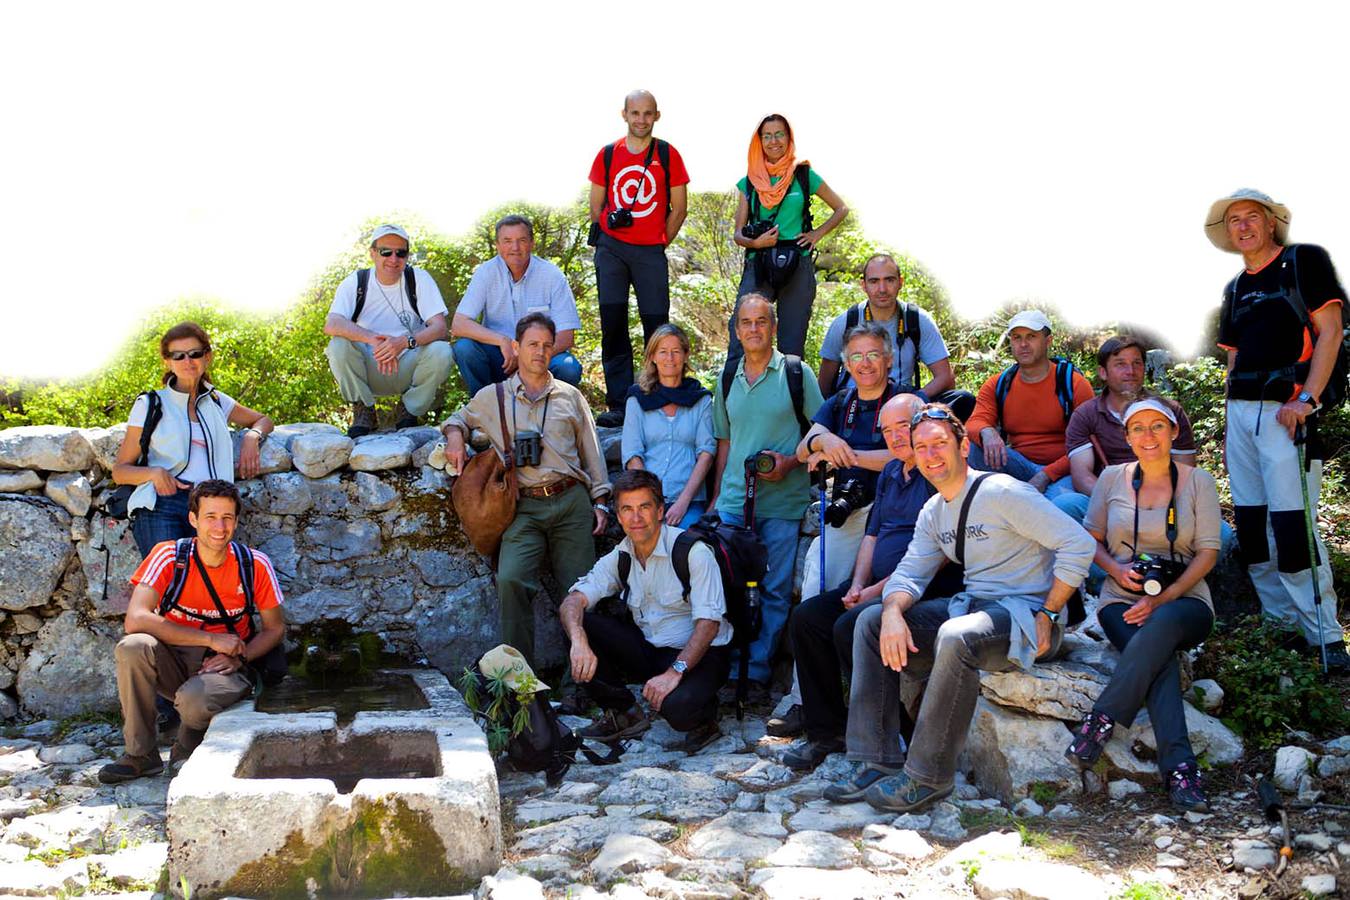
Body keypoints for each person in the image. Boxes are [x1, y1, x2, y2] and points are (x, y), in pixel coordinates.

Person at [836, 403, 1094, 813]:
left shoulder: (1003, 492)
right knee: (867, 621)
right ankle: (876, 759)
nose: (931, 454)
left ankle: (927, 777)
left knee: (955, 635)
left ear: (963, 447)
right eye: (921, 447)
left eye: (940, 443)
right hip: (974, 609)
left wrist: (1050, 612)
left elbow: (1078, 543)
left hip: (1027, 617)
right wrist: (890, 612)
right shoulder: (935, 510)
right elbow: (909, 576)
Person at [783, 393, 964, 771]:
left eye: (903, 426)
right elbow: (872, 534)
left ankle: (895, 731)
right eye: (887, 430)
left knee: (852, 626)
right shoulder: (891, 474)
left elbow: (935, 555)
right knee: (808, 618)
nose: (896, 437)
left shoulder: (936, 472)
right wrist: (857, 583)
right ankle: (826, 731)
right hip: (878, 584)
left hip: (924, 587)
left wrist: (874, 592)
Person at [1207, 188, 1347, 673]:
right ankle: (1281, 626)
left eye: (1252, 217)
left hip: (1286, 411)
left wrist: (1306, 399)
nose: (1243, 226)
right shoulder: (1235, 288)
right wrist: (1230, 422)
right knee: (1251, 524)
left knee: (1292, 526)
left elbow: (1330, 331)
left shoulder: (1301, 262)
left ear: (1271, 224)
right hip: (1242, 414)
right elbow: (1233, 356)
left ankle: (1323, 635)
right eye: (1234, 220)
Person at [1063, 400, 1221, 811]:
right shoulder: (1112, 478)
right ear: (1126, 436)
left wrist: (1163, 597)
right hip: (1121, 600)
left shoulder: (1197, 481)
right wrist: (1115, 570)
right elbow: (1089, 538)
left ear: (1173, 432)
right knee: (1159, 660)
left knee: (1163, 622)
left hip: (1184, 600)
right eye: (1137, 428)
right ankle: (1181, 770)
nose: (1147, 436)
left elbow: (1206, 553)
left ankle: (1100, 721)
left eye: (1156, 427)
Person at [442, 313, 611, 668]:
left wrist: (601, 501)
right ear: (517, 348)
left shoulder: (570, 396)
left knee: (583, 591)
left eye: (547, 345)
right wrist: (455, 438)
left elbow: (592, 452)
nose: (541, 351)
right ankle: (522, 684)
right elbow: (457, 418)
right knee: (511, 579)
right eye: (533, 344)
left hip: (570, 502)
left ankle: (582, 685)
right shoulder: (494, 396)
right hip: (523, 505)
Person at [98, 480, 285, 784]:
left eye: (227, 518)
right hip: (174, 657)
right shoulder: (169, 556)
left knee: (194, 700)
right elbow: (136, 619)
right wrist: (210, 638)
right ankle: (140, 754)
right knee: (132, 646)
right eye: (210, 517)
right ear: (193, 519)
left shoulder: (255, 564)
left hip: (225, 666)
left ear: (236, 521)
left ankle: (185, 748)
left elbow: (275, 629)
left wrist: (241, 657)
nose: (219, 527)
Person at [771, 322, 901, 741]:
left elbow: (908, 450)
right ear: (845, 363)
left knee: (862, 607)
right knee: (812, 598)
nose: (865, 364)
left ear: (888, 358)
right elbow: (801, 448)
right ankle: (805, 702)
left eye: (873, 355)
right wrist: (823, 441)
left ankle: (871, 708)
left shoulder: (903, 401)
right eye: (856, 356)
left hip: (893, 512)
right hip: (844, 513)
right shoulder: (840, 403)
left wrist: (854, 456)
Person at [560, 470, 731, 753]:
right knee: (578, 622)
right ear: (618, 514)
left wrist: (674, 672)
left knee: (677, 710)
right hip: (651, 649)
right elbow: (572, 601)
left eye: (644, 507)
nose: (636, 518)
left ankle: (705, 714)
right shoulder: (622, 554)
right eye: (627, 509)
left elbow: (709, 625)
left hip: (701, 655)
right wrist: (579, 641)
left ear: (661, 511)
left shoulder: (693, 552)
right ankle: (624, 714)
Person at [711, 294, 824, 699]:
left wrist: (791, 462)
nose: (754, 329)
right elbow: (724, 443)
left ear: (774, 327)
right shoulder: (726, 378)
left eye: (762, 321)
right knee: (729, 588)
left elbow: (820, 432)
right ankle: (728, 669)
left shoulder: (795, 373)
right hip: (734, 504)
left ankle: (755, 673)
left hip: (782, 503)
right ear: (736, 329)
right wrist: (715, 500)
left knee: (774, 590)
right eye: (746, 322)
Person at [113, 321, 275, 559]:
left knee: (208, 585)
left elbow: (263, 420)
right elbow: (120, 471)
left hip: (213, 508)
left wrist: (252, 436)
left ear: (207, 357)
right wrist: (154, 473)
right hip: (163, 503)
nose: (187, 362)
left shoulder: (217, 401)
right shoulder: (150, 404)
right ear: (168, 362)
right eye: (178, 356)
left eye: (194, 354)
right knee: (171, 583)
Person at [588, 90, 690, 428]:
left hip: (650, 252)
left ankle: (658, 392)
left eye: (648, 113)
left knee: (657, 327)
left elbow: (680, 207)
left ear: (656, 116)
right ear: (625, 114)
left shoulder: (667, 154)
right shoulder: (606, 155)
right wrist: (610, 240)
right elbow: (596, 207)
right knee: (613, 324)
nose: (641, 119)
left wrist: (659, 241)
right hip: (612, 250)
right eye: (635, 113)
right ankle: (619, 402)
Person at [726, 113, 848, 368]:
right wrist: (757, 243)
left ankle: (790, 403)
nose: (773, 141)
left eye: (779, 134)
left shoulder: (803, 175)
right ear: (759, 141)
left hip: (797, 263)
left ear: (789, 137)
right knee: (742, 337)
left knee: (792, 344)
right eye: (767, 135)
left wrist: (816, 234)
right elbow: (738, 234)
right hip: (759, 264)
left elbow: (841, 208)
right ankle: (734, 400)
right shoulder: (749, 181)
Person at [324, 224, 453, 437]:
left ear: (407, 255)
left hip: (407, 365)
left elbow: (440, 328)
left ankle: (409, 410)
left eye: (400, 253)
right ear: (373, 253)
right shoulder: (356, 282)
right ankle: (364, 409)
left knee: (442, 351)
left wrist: (403, 342)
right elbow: (332, 323)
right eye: (386, 252)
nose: (393, 259)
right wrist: (374, 340)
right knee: (337, 345)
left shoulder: (419, 279)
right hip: (369, 365)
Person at [817, 254, 974, 420]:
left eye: (889, 280)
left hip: (902, 401)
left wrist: (915, 399)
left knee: (962, 398)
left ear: (901, 282)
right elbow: (825, 384)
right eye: (874, 281)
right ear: (863, 285)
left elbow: (945, 377)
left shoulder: (917, 320)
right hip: (857, 403)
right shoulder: (847, 322)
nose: (882, 289)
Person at [1060, 336, 1198, 522]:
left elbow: (1186, 469)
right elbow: (1082, 476)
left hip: (1162, 501)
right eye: (1120, 364)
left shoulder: (1170, 411)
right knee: (1065, 505)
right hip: (1108, 499)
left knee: (1223, 534)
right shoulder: (1086, 415)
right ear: (1103, 372)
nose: (1130, 371)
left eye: (1136, 363)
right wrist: (1119, 500)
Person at [965, 310, 1094, 502]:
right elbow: (974, 422)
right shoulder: (999, 384)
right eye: (1017, 338)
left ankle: (1027, 503)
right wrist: (986, 431)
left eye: (1031, 337)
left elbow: (1088, 443)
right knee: (973, 448)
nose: (1023, 344)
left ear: (1047, 341)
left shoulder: (1073, 384)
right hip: (1019, 466)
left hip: (1063, 469)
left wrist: (1046, 475)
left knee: (1062, 506)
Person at [451, 214, 584, 395]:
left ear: (532, 243)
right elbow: (459, 324)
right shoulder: (485, 273)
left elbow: (566, 337)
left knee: (568, 367)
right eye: (507, 241)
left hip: (541, 356)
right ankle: (484, 408)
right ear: (498, 246)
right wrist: (503, 341)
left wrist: (526, 357)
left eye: (522, 240)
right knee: (464, 348)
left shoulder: (552, 276)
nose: (515, 247)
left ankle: (549, 414)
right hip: (499, 356)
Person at [621, 324, 716, 529]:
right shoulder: (637, 399)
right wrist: (653, 500)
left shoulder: (701, 400)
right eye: (663, 352)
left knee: (685, 545)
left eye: (675, 352)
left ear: (685, 355)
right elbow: (632, 454)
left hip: (689, 501)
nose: (670, 358)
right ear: (653, 356)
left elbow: (706, 454)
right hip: (646, 501)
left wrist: (683, 502)